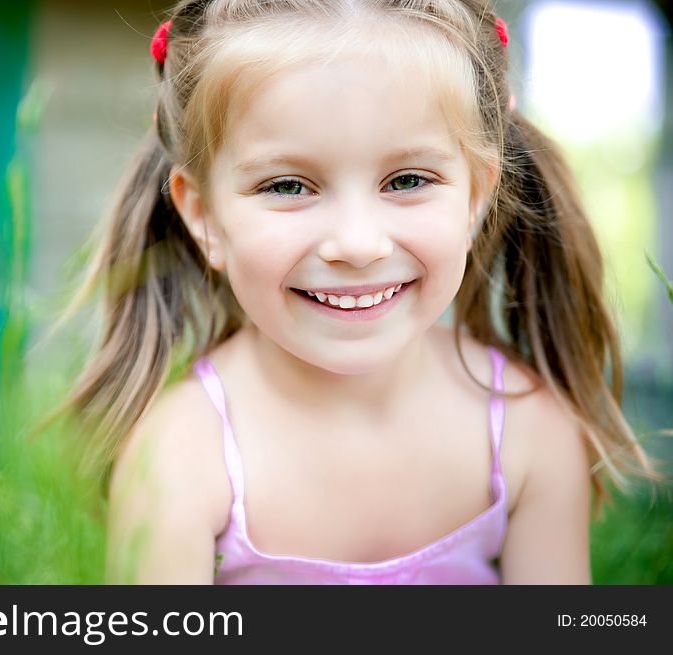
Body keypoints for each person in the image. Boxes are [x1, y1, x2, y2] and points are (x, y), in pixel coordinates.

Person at [53, 0, 661, 584]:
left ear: (476, 196)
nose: (357, 243)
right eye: (289, 186)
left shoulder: (528, 433)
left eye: (407, 180)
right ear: (205, 216)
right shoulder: (181, 454)